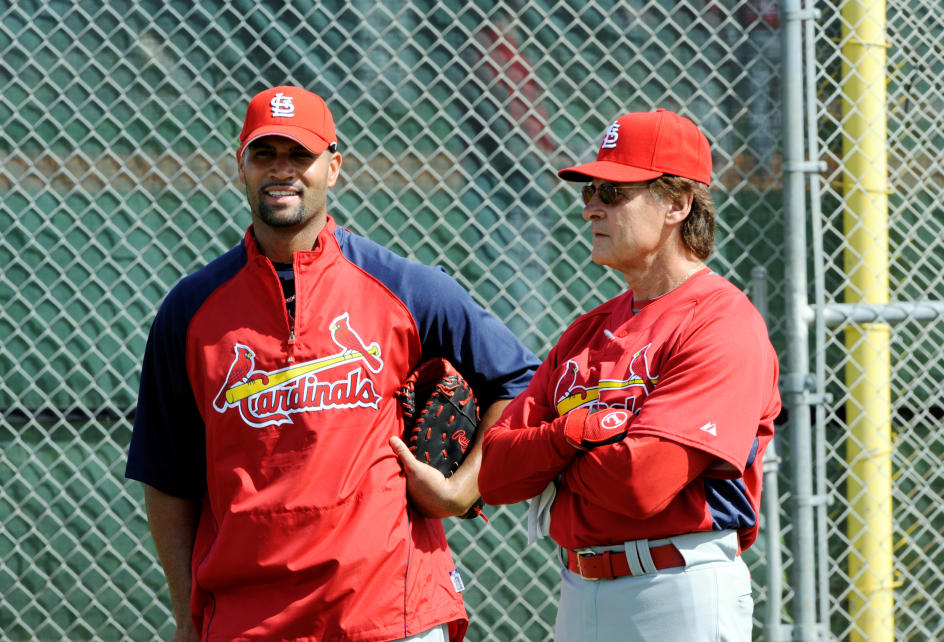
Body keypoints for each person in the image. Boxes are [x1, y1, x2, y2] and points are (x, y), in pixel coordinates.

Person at [125, 85, 539, 642]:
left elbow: (524, 381)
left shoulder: (407, 288)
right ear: (240, 167)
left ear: (334, 167)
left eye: (301, 155)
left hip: (387, 608)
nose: (283, 170)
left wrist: (465, 487)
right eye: (265, 154)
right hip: (248, 618)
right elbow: (166, 474)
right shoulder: (191, 310)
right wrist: (187, 615)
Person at [478, 109, 781, 641]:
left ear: (677, 204)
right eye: (588, 192)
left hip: (679, 586)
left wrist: (549, 462)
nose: (591, 208)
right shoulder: (585, 332)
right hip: (577, 588)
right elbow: (498, 473)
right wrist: (577, 433)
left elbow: (642, 483)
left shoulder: (722, 323)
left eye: (613, 193)